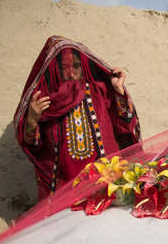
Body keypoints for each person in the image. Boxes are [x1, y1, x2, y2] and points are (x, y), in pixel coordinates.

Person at [14, 36, 141, 200]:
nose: (71, 73)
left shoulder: (99, 90)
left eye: (75, 66)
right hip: (65, 191)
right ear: (54, 69)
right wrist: (32, 120)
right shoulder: (45, 102)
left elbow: (124, 127)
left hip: (109, 182)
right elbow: (34, 149)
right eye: (64, 67)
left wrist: (118, 90)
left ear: (83, 66)